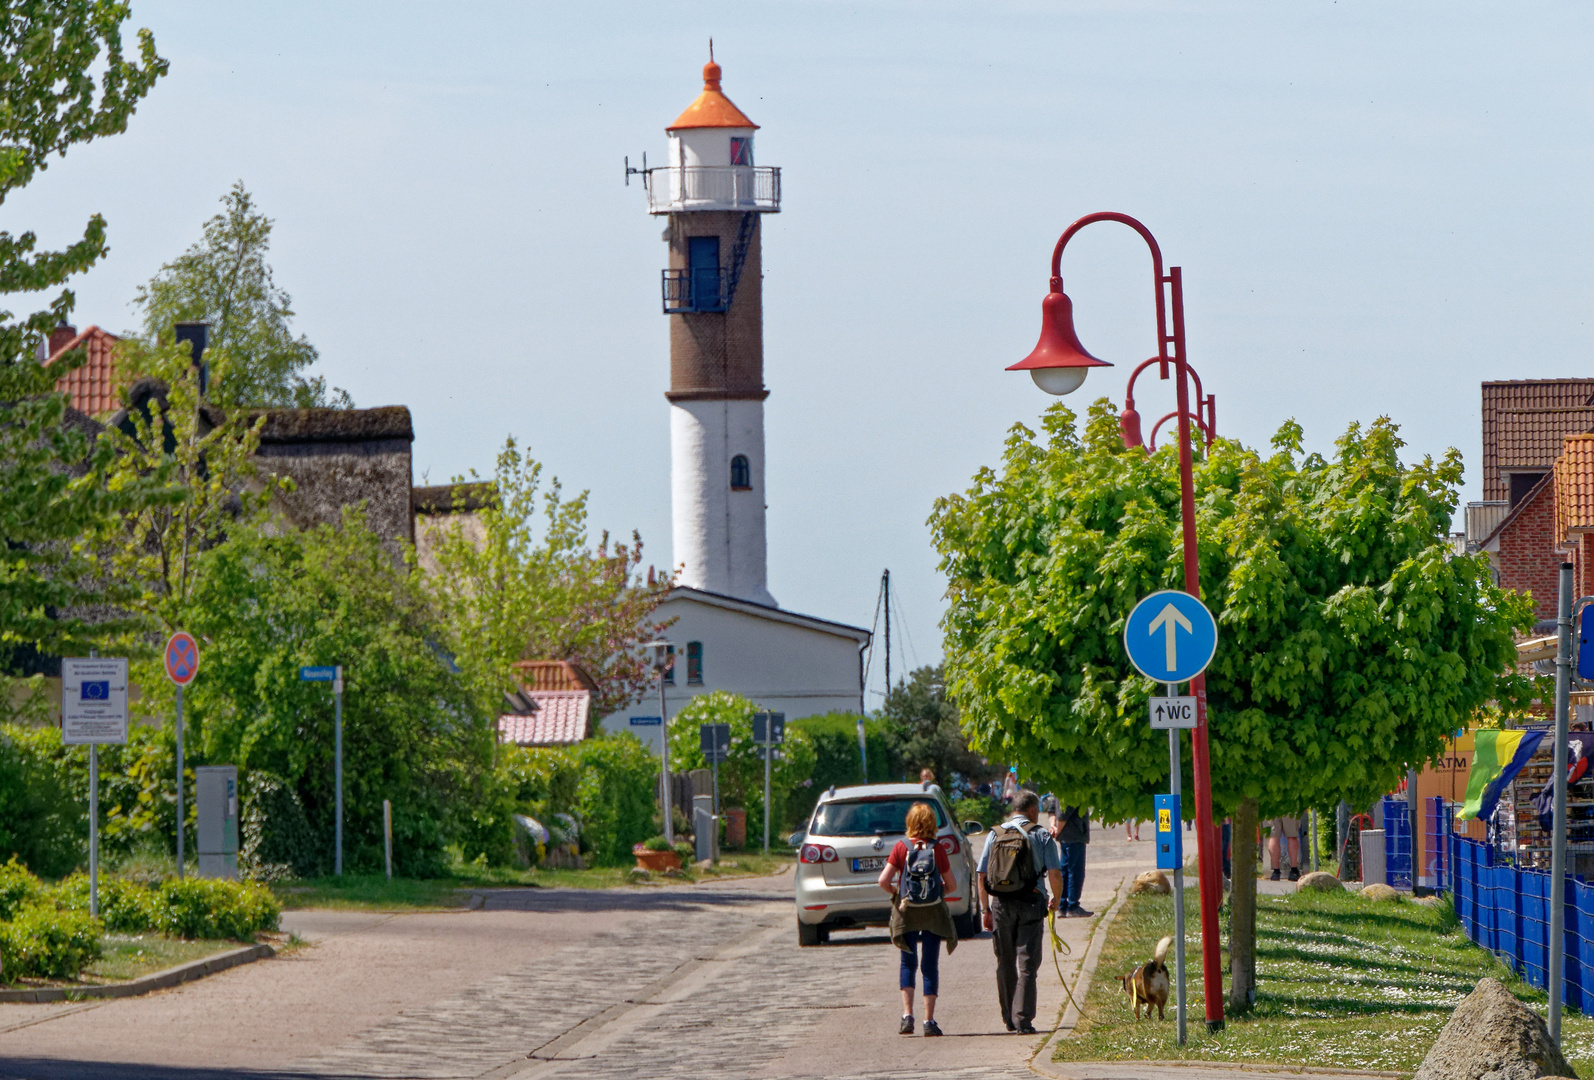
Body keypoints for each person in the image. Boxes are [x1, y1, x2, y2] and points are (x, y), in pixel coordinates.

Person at [976, 789, 1063, 1035]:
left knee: (1004, 961)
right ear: (1033, 811)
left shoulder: (994, 834)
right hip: (1031, 903)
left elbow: (982, 875)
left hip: (1001, 905)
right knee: (1027, 963)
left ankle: (1008, 1018)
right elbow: (1055, 873)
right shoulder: (1041, 835)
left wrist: (985, 909)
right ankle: (1023, 1019)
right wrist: (1056, 899)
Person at [879, 801, 956, 1036]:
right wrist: (935, 893)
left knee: (907, 963)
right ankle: (929, 1021)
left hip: (907, 911)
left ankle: (907, 1017)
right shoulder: (938, 849)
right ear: (932, 823)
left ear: (910, 823)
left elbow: (883, 881)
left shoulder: (901, 847)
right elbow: (951, 885)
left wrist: (899, 893)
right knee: (930, 966)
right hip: (933, 912)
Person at [1053, 805, 1091, 917]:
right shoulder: (1074, 790)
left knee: (1064, 870)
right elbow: (1064, 814)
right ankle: (1072, 906)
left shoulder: (1057, 791)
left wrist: (1053, 826)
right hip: (1074, 835)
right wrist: (1058, 831)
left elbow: (1052, 809)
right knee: (1075, 872)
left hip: (1066, 837)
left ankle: (1062, 905)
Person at [1267, 814, 1302, 882]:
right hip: (1289, 806)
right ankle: (1294, 871)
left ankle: (1275, 872)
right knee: (1292, 836)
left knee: (1274, 836)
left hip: (1273, 805)